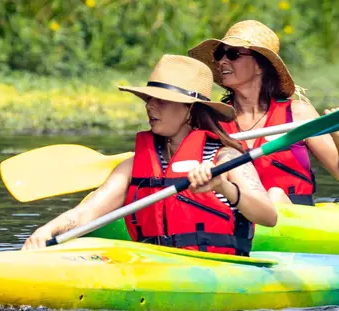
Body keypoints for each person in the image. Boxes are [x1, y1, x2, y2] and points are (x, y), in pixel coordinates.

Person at [24, 55, 277, 252]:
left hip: (215, 273)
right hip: (153, 265)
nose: (150, 106)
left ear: (190, 109)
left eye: (162, 100)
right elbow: (85, 214)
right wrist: (47, 231)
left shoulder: (225, 158)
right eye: (148, 99)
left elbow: (268, 215)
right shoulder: (132, 167)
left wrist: (222, 187)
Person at [189, 20, 339, 205]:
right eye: (219, 53)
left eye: (233, 54)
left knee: (276, 194)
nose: (222, 61)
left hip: (294, 213)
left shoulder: (298, 114)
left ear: (260, 66)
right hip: (242, 213)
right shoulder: (213, 119)